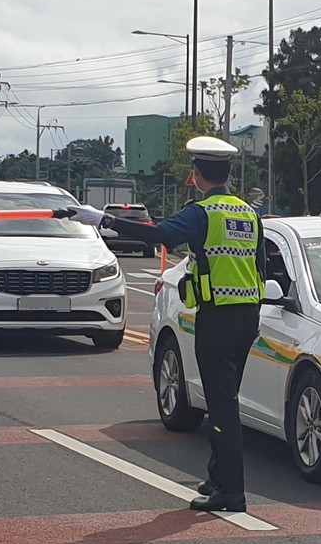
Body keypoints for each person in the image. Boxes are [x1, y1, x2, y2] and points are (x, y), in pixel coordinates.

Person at [68, 137, 266, 512]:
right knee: (226, 397)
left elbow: (159, 235)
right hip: (247, 315)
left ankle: (233, 492)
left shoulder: (202, 212)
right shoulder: (248, 213)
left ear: (196, 174)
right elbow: (260, 266)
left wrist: (105, 220)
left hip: (217, 317)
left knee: (221, 406)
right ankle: (217, 477)